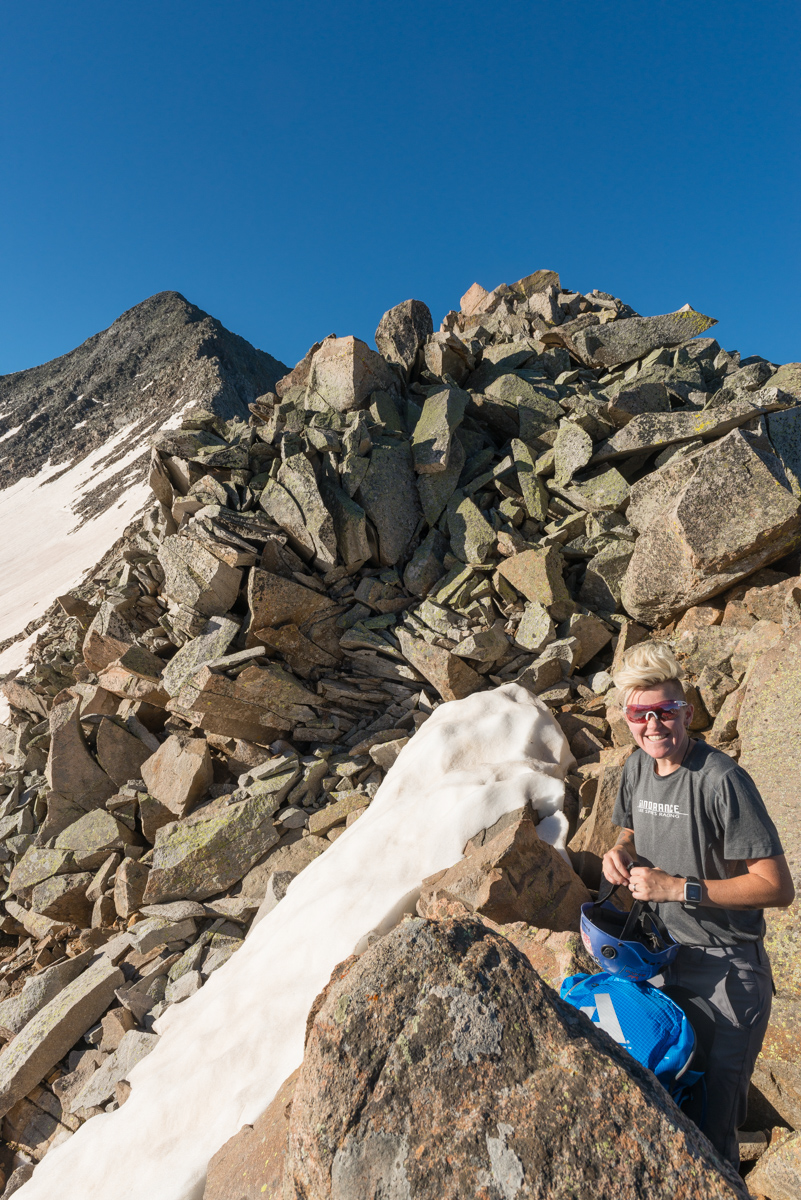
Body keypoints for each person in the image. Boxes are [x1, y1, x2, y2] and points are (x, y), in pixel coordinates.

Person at [602, 641, 794, 1169]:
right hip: (660, 961)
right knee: (665, 1104)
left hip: (726, 971)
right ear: (627, 717)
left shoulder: (721, 780)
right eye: (642, 714)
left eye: (666, 711)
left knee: (712, 1128)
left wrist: (678, 888)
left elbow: (777, 886)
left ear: (686, 710)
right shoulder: (637, 767)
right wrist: (618, 854)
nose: (654, 725)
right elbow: (632, 830)